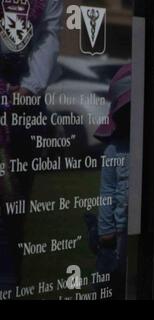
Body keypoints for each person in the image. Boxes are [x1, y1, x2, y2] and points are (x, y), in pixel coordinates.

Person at [0, 0, 62, 291]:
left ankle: (8, 283)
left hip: (23, 100)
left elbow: (48, 34)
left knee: (14, 207)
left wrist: (30, 87)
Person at [93, 64, 132, 300]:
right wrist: (105, 230)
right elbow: (107, 190)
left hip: (144, 233)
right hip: (117, 234)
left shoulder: (153, 149)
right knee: (114, 285)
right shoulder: (113, 151)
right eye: (126, 111)